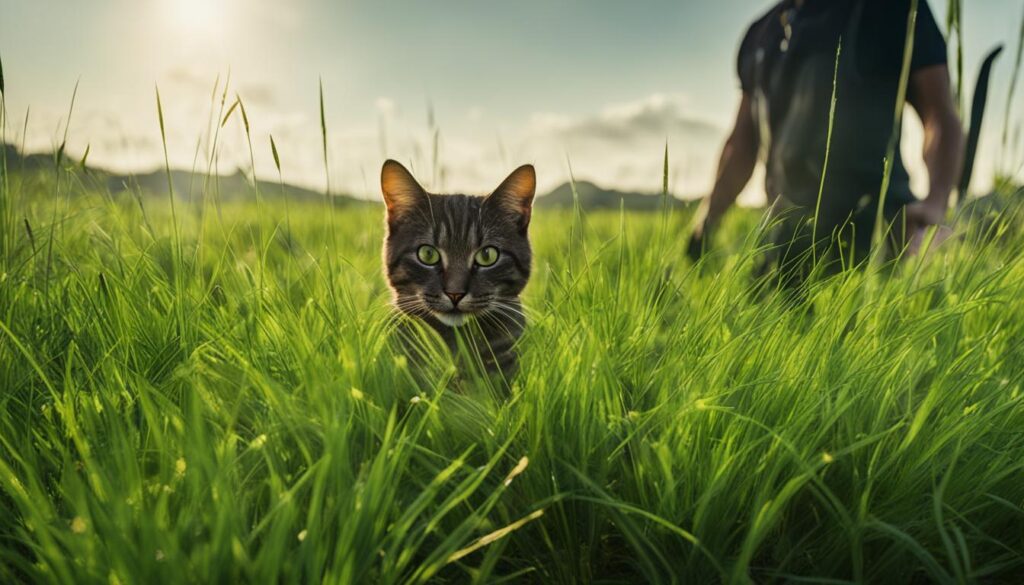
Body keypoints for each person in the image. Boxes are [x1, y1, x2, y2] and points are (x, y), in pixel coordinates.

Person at [688, 0, 964, 286]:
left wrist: (935, 201)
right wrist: (707, 221)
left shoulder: (894, 8)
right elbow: (741, 144)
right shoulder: (761, 34)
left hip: (878, 240)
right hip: (786, 241)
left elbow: (940, 116)